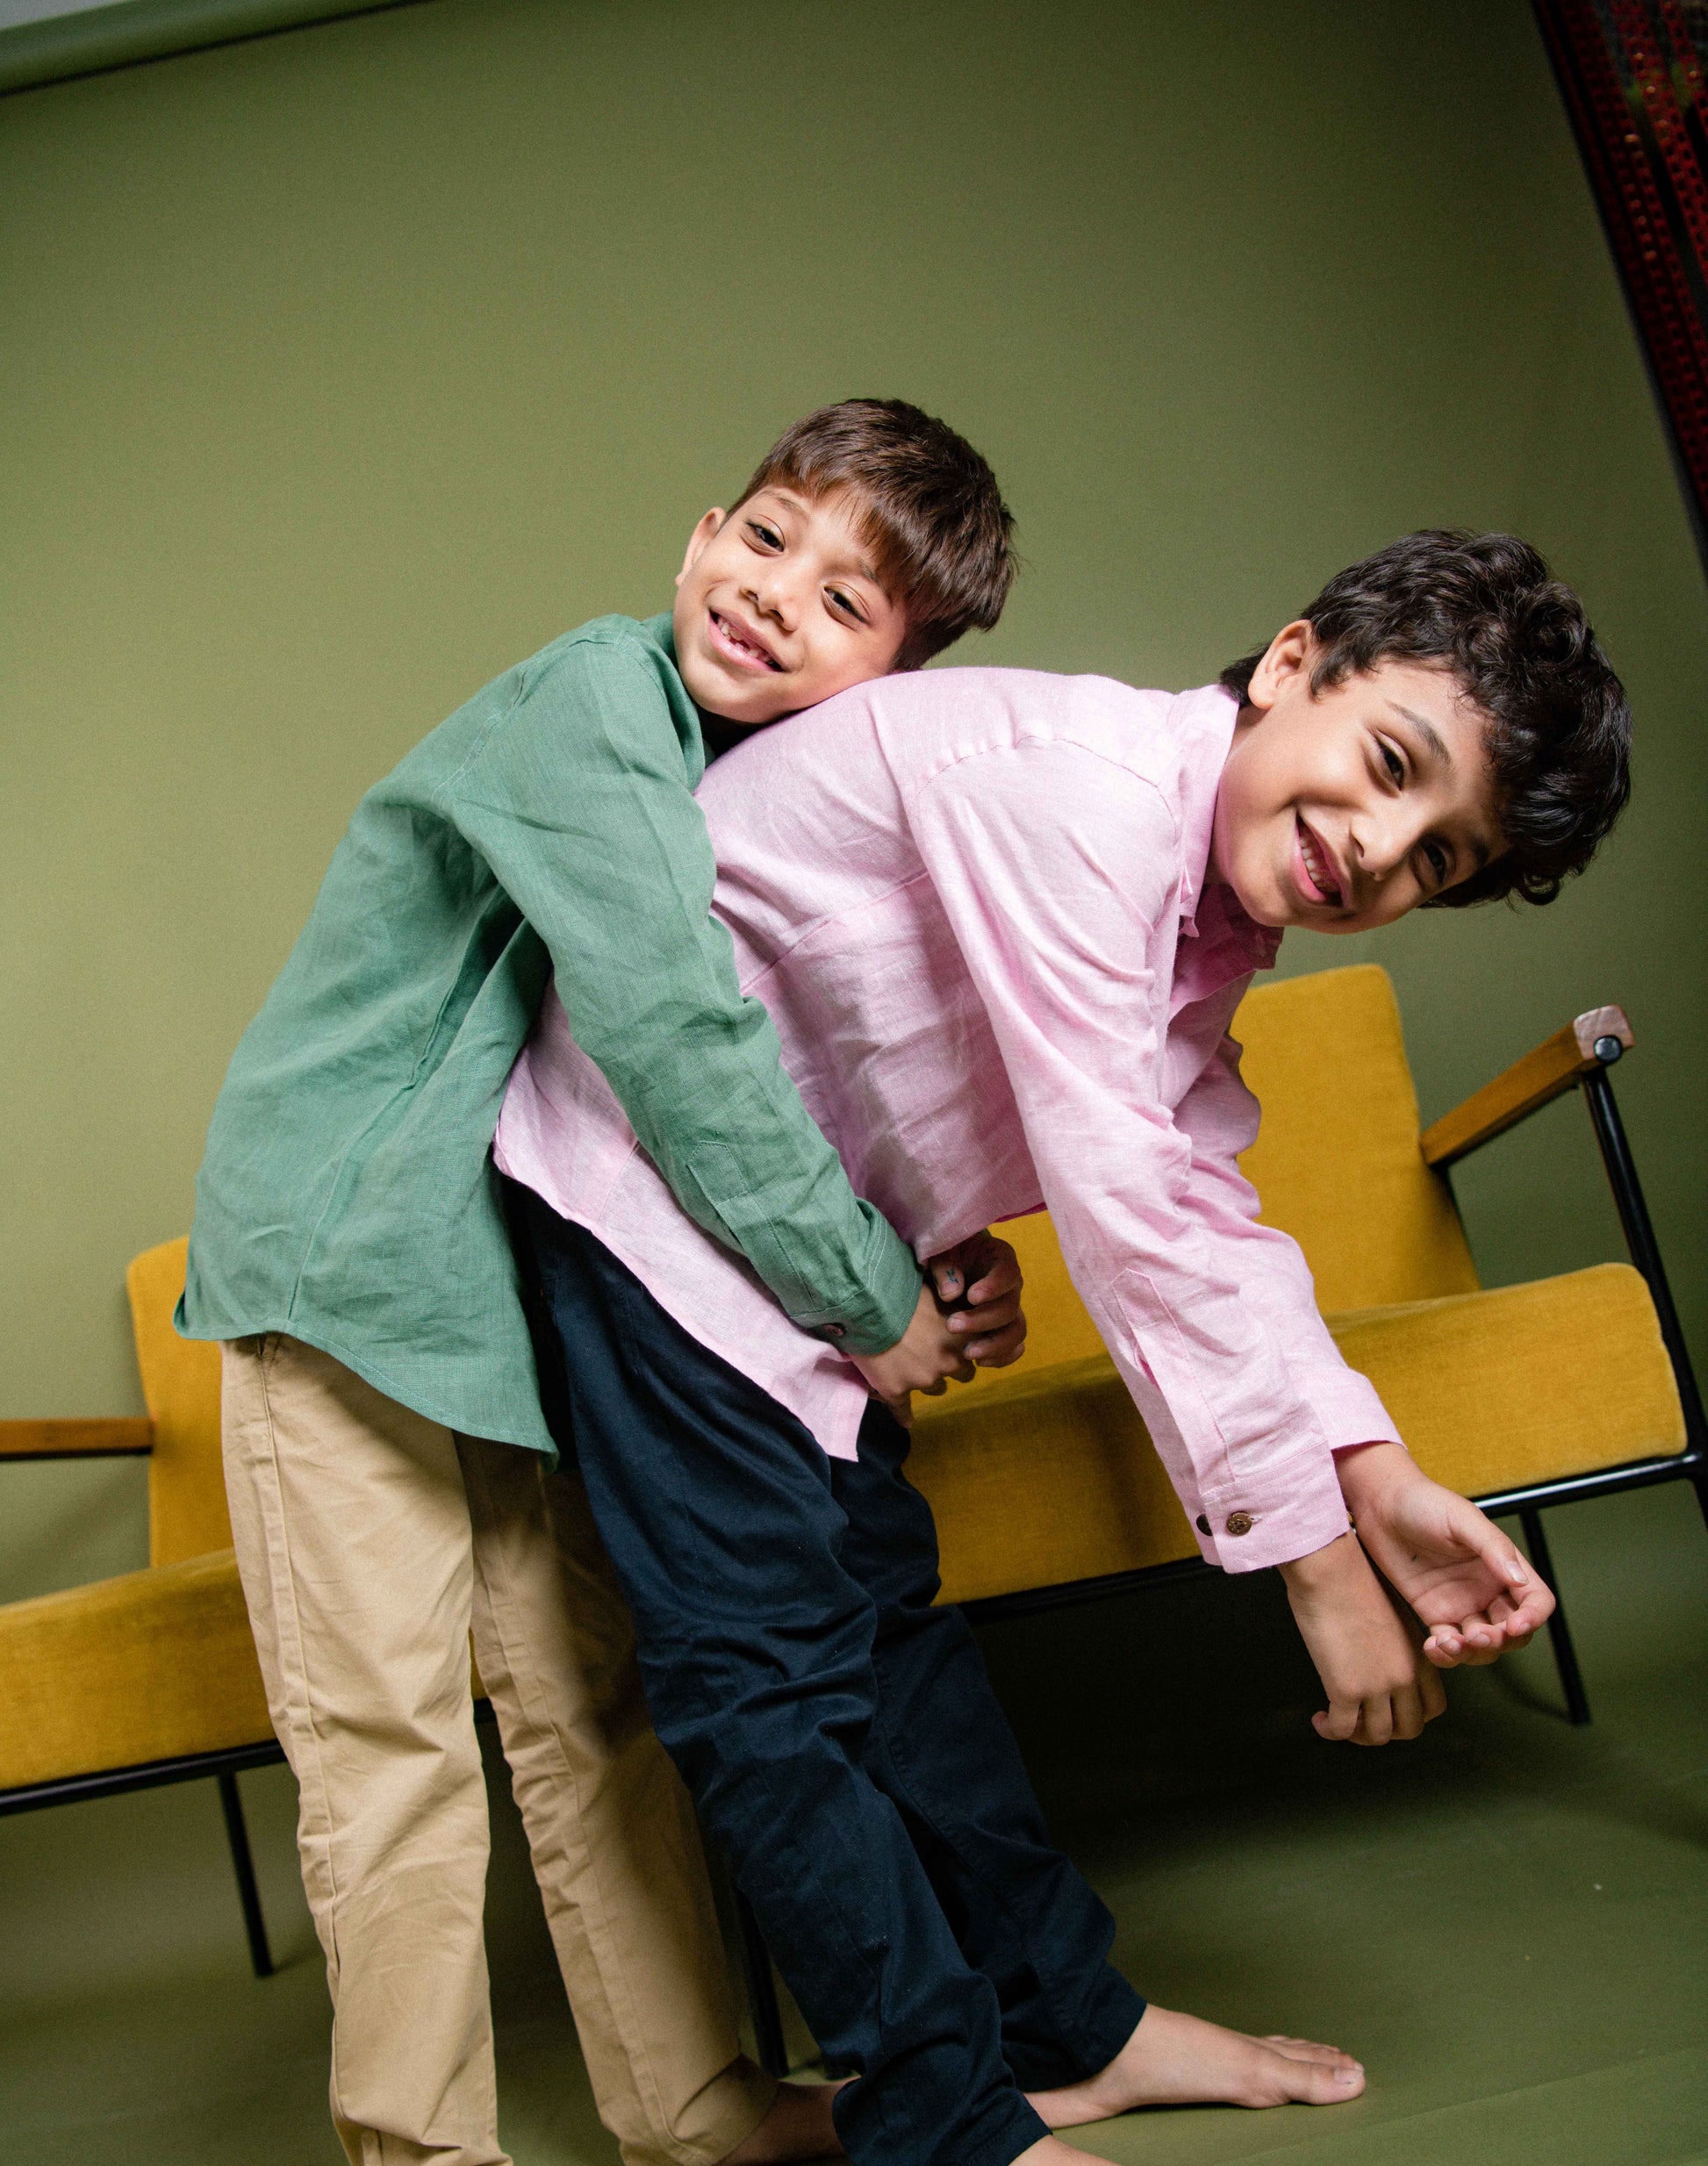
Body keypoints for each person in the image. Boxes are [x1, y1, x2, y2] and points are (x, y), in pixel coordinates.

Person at [496, 530, 1631, 2166]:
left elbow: (1198, 1197)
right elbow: (1121, 1196)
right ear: (1295, 660)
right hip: (641, 1204)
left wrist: (1372, 1474)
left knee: (889, 1640)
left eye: (1433, 862)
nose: (1375, 849)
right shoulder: (1081, 786)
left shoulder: (1205, 914)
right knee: (766, 1692)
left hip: (797, 1263)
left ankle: (1066, 2028)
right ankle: (951, 2130)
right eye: (1391, 766)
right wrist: (1312, 1568)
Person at [176, 399, 1027, 2166]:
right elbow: (680, 1039)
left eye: (849, 599)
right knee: (392, 1745)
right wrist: (870, 1302)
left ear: (893, 681)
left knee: (591, 1708)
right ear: (702, 528)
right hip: (341, 1277)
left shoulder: (747, 787)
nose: (780, 593)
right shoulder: (592, 701)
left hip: (508, 1310)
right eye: (772, 535)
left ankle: (697, 2103)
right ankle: (426, 2151)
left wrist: (934, 1243)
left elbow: (826, 1061)